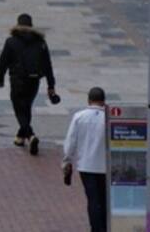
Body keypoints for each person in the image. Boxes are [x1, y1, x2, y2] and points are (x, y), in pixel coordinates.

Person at [0, 13, 57, 154]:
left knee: (19, 109)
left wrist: (0, 78)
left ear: (18, 25)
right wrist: (51, 85)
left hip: (17, 80)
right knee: (26, 107)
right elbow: (48, 65)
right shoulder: (41, 42)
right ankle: (20, 137)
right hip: (34, 81)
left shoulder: (11, 41)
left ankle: (30, 135)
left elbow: (3, 62)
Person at [63, 87, 107, 232]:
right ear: (103, 101)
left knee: (92, 199)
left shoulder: (79, 117)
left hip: (86, 165)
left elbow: (71, 141)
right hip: (105, 166)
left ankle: (96, 228)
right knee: (104, 198)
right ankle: (104, 226)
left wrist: (67, 160)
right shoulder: (108, 118)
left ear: (88, 100)